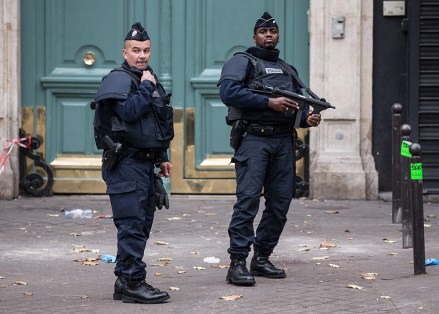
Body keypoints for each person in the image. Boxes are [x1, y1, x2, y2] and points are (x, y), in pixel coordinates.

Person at [217, 12, 322, 286]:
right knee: (248, 200)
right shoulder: (242, 62)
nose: (268, 36)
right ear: (254, 36)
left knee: (280, 203)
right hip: (254, 140)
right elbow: (228, 92)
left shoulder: (288, 70)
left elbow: (299, 108)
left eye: (273, 32)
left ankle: (261, 258)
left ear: (277, 36)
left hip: (283, 141)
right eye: (263, 32)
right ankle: (237, 263)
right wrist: (268, 103)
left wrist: (308, 117)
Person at [92, 22, 174, 303]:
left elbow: (156, 123)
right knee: (132, 225)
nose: (142, 55)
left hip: (144, 165)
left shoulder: (147, 79)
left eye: (146, 50)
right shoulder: (118, 80)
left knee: (140, 225)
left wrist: (162, 158)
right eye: (136, 50)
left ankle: (123, 280)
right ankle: (134, 283)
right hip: (125, 165)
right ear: (124, 52)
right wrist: (146, 85)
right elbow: (129, 112)